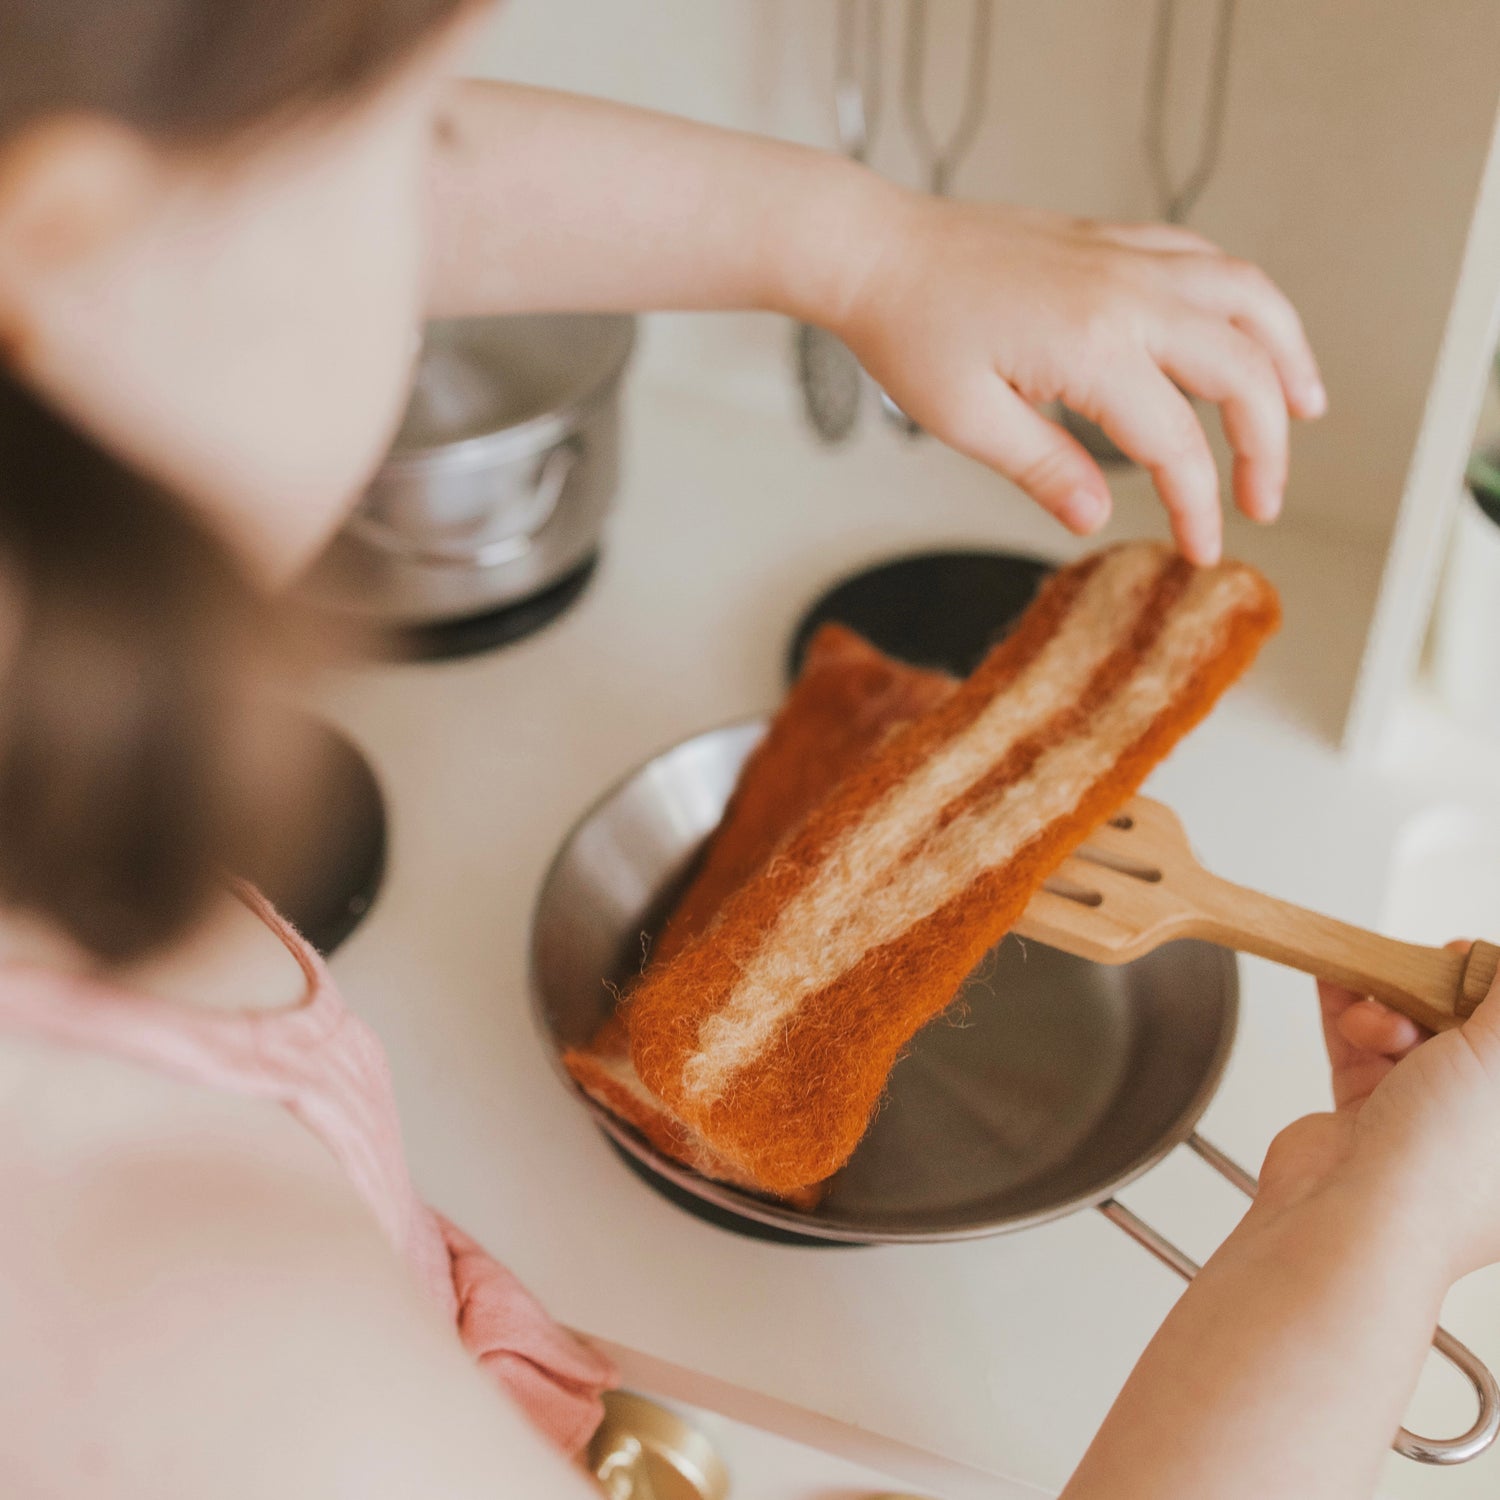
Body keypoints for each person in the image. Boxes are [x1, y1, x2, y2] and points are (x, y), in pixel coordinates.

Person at [0, 2, 1485, 1497]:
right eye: (402, 145)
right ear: (61, 243)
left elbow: (259, 185)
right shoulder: (190, 1343)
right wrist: (1391, 1227)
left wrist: (869, 252)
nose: (428, 216)